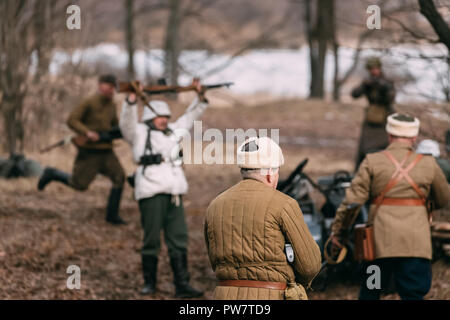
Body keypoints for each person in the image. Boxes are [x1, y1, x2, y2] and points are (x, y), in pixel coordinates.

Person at [330, 113, 449, 300]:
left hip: (377, 247)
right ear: (414, 137)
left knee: (371, 293)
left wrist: (339, 232)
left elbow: (352, 204)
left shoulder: (372, 162)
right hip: (415, 246)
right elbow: (443, 199)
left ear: (389, 134)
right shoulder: (429, 164)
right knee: (413, 295)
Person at [204, 137, 322, 300]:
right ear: (269, 174)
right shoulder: (284, 204)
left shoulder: (214, 206)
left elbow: (214, 259)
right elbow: (310, 265)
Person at [119, 81, 207, 298]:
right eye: (159, 117)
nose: (163, 120)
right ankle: (149, 283)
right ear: (149, 118)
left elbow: (190, 116)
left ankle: (182, 284)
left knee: (179, 237)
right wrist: (131, 101)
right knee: (151, 239)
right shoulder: (138, 132)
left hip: (174, 192)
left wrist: (200, 96)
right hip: (150, 190)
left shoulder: (172, 131)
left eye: (166, 117)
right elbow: (126, 123)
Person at [37, 74, 126, 225]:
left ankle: (112, 216)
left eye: (113, 87)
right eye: (109, 86)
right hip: (90, 151)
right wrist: (87, 132)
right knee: (79, 185)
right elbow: (72, 120)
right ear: (100, 85)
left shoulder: (112, 105)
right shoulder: (89, 102)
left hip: (106, 150)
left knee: (119, 177)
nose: (112, 90)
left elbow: (114, 125)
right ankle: (52, 173)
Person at [352, 57, 396, 170]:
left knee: (386, 145)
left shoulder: (387, 82)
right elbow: (354, 94)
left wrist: (382, 86)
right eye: (371, 69)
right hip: (371, 118)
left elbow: (391, 98)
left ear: (379, 68)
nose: (373, 71)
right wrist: (365, 85)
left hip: (385, 119)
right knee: (364, 146)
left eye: (375, 68)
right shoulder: (368, 82)